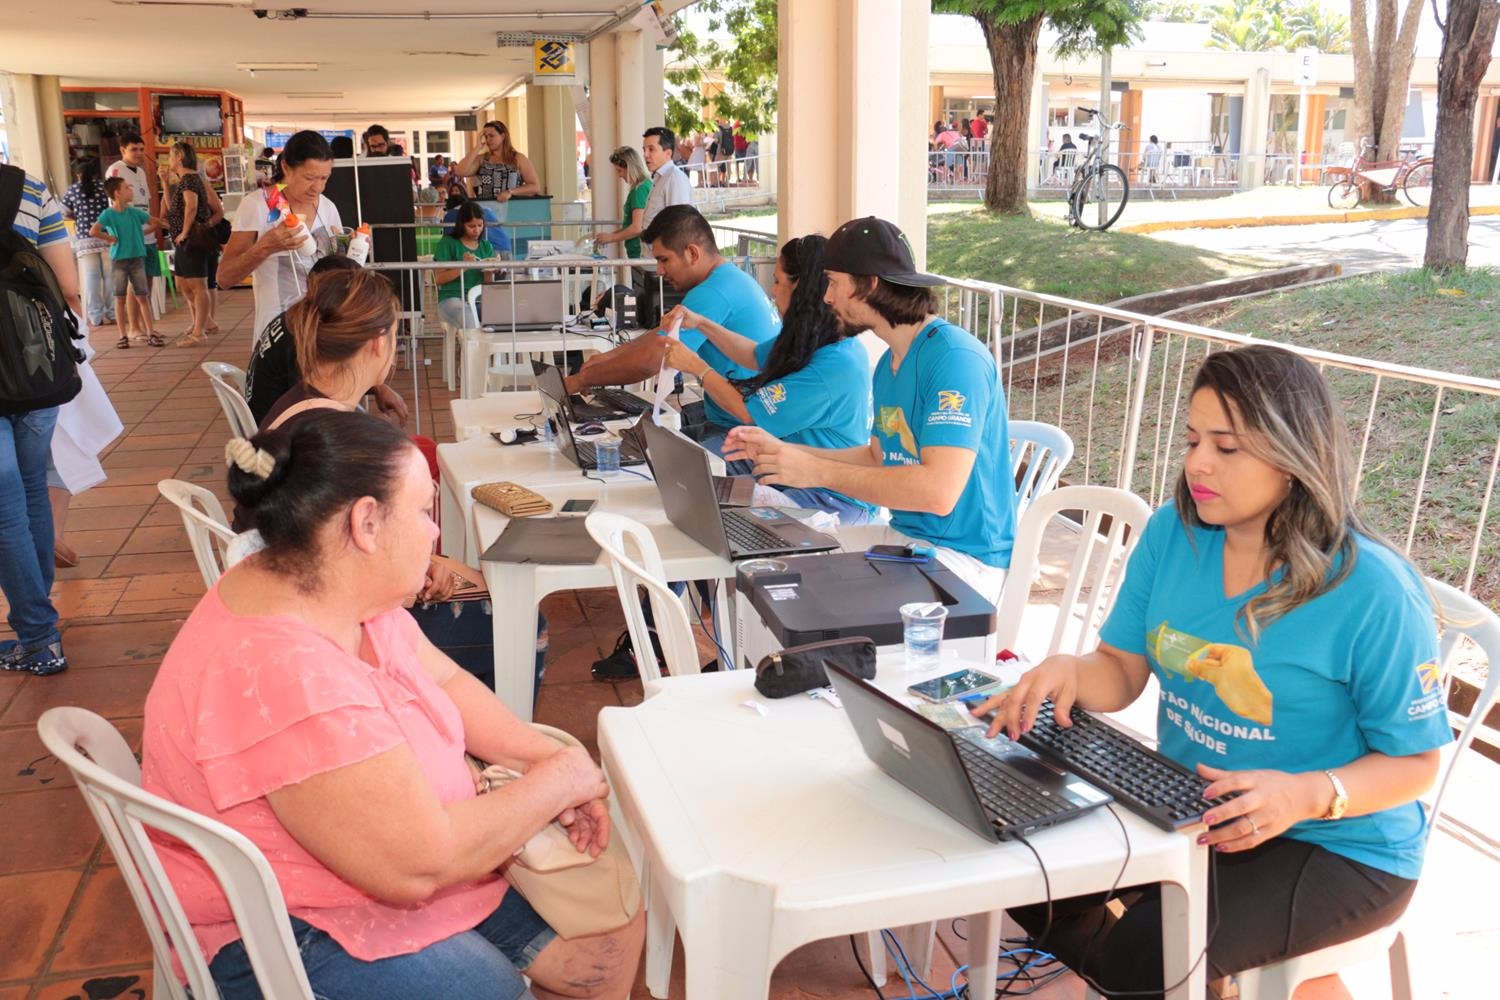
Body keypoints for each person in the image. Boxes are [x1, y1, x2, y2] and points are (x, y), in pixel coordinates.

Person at [972, 345, 1452, 999]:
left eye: (1227, 448)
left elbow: (1419, 764)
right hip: (1194, 811)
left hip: (1337, 841)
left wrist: (1305, 794)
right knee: (1034, 875)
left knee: (1150, 948)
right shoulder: (1174, 533)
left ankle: (1201, 977)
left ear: (1293, 456)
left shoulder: (1371, 589)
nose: (1198, 463)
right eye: (1194, 439)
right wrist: (1068, 673)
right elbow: (1119, 669)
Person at [141, 410, 645, 1000]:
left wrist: (540, 758)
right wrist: (559, 780)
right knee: (500, 991)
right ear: (366, 524)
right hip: (286, 925)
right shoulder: (290, 673)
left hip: (381, 864)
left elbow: (448, 679)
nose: (435, 534)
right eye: (425, 512)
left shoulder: (319, 584)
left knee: (605, 951)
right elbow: (420, 865)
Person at [724, 216, 1016, 606]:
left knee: (807, 602)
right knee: (768, 569)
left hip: (964, 563)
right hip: (905, 542)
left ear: (870, 284)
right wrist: (784, 451)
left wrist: (814, 472)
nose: (825, 297)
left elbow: (939, 493)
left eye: (833, 283)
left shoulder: (954, 359)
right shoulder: (890, 362)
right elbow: (878, 456)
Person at [661, 235, 874, 524]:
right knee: (684, 466)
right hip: (791, 472)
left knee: (716, 509)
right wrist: (702, 323)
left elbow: (749, 413)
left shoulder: (834, 366)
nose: (772, 292)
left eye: (776, 281)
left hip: (829, 496)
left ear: (799, 288)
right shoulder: (814, 340)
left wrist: (697, 367)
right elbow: (752, 354)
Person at [564, 204, 778, 440]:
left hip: (745, 432)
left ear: (693, 253)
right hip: (729, 419)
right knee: (641, 443)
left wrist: (582, 380)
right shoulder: (727, 279)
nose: (660, 270)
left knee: (641, 457)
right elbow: (662, 333)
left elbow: (652, 359)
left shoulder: (714, 291)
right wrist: (606, 358)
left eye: (664, 259)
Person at [2, 169, 81, 677]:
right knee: (31, 488)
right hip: (36, 370)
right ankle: (38, 632)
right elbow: (69, 287)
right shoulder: (27, 189)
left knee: (4, 507)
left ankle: (37, 637)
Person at [219, 129, 343, 345]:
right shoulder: (259, 205)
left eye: (325, 178)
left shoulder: (328, 207)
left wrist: (354, 248)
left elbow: (339, 267)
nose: (318, 187)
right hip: (279, 332)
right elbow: (224, 278)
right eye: (309, 178)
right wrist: (265, 247)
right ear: (285, 167)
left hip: (324, 327)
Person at [245, 254, 364, 425]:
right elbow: (314, 404)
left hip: (270, 420)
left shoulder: (296, 317)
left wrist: (378, 387)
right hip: (278, 433)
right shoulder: (303, 336)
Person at [91, 177, 166, 349]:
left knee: (142, 296)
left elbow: (153, 221)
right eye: (127, 188)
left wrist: (143, 232)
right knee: (120, 297)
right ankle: (122, 335)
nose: (130, 190)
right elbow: (94, 230)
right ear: (117, 192)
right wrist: (110, 238)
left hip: (137, 258)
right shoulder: (108, 214)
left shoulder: (134, 212)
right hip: (119, 259)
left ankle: (150, 332)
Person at [163, 141, 224, 348]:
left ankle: (200, 331)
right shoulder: (187, 180)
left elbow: (191, 207)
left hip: (191, 241)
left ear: (179, 156)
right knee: (182, 284)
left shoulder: (189, 180)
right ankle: (206, 321)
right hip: (185, 240)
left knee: (198, 287)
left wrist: (185, 231)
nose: (169, 161)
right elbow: (174, 210)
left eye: (171, 156)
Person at [104, 133, 161, 343]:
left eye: (140, 149)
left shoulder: (142, 173)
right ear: (123, 150)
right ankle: (133, 327)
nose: (138, 153)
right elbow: (115, 209)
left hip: (148, 235)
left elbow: (147, 201)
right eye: (133, 149)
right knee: (132, 284)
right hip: (130, 241)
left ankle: (148, 328)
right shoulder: (116, 171)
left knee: (147, 281)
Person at [60, 159, 115, 329]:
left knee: (91, 277)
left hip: (85, 237)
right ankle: (111, 312)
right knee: (109, 276)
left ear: (78, 175)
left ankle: (95, 315)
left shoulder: (73, 190)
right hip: (105, 235)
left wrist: (78, 217)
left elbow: (62, 212)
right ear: (95, 174)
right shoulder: (103, 188)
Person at [432, 201, 500, 332]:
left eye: (480, 225)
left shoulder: (485, 246)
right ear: (461, 225)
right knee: (470, 318)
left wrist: (490, 270)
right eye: (471, 226)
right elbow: (439, 278)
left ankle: (495, 353)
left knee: (502, 317)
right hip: (451, 298)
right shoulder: (448, 243)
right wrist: (464, 266)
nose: (477, 230)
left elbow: (487, 285)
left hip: (479, 300)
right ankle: (472, 352)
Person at [454, 121, 541, 204]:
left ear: (503, 136)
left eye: (491, 136)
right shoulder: (482, 159)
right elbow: (459, 171)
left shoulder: (518, 158)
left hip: (512, 208)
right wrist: (477, 147)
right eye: (486, 136)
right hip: (486, 210)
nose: (488, 140)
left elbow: (535, 186)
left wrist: (511, 192)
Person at [592, 145, 652, 261]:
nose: (619, 175)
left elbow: (637, 227)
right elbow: (632, 226)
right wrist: (609, 236)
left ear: (630, 167)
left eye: (620, 170)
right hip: (639, 252)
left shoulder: (640, 190)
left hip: (639, 253)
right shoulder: (644, 185)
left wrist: (611, 237)